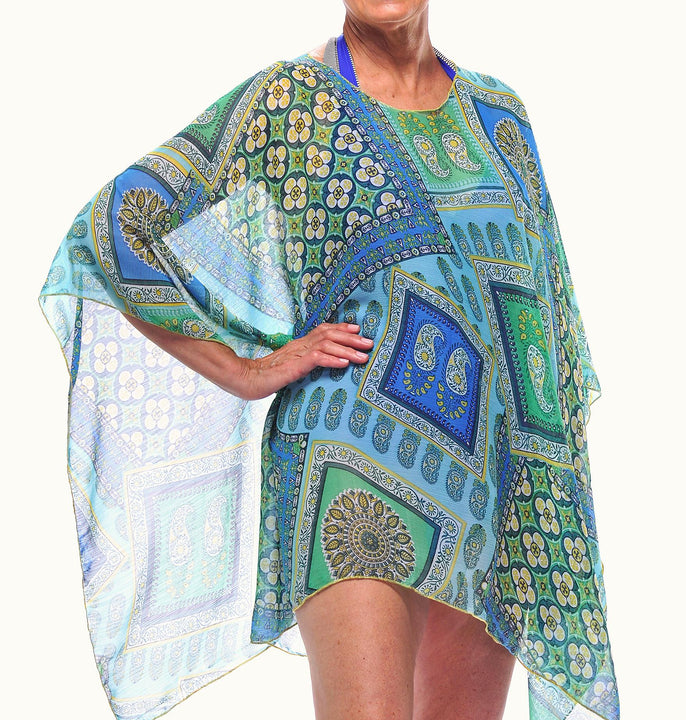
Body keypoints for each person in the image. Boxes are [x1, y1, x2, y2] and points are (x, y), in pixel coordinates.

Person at [40, 2, 619, 719]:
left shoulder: (502, 116)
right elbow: (115, 230)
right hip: (350, 461)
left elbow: (546, 328)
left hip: (490, 484)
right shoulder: (291, 98)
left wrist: (542, 499)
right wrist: (245, 369)